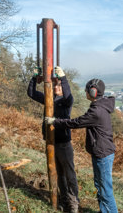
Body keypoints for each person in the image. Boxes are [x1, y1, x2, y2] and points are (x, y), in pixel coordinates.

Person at [45, 78, 118, 213]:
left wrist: (55, 122)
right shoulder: (101, 105)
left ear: (93, 92)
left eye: (87, 89)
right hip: (101, 152)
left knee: (106, 191)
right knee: (100, 185)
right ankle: (104, 210)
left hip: (103, 154)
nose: (85, 91)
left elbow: (76, 123)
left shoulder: (96, 112)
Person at [27, 66, 79, 213]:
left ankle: (74, 202)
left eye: (59, 85)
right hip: (51, 143)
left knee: (69, 174)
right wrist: (33, 79)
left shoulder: (66, 100)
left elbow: (68, 95)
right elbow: (31, 93)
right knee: (59, 174)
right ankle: (63, 201)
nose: (57, 87)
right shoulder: (49, 99)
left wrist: (63, 78)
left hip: (64, 144)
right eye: (55, 84)